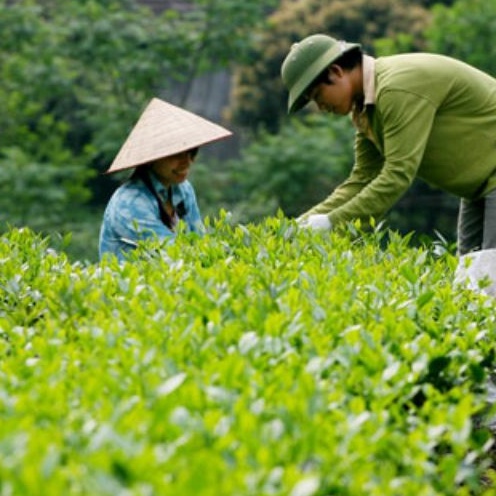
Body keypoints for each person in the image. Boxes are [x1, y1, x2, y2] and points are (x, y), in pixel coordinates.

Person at [280, 33, 496, 255]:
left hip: (491, 181)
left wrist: (332, 223)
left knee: (489, 278)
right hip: (479, 189)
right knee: (471, 279)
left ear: (336, 72)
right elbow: (362, 178)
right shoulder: (366, 107)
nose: (321, 106)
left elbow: (397, 174)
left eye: (318, 95)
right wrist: (298, 226)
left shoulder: (395, 89)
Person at [99, 97, 232, 261]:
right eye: (177, 154)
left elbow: (200, 244)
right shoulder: (130, 203)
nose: (187, 162)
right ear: (152, 158)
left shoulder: (183, 190)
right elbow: (175, 256)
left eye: (191, 152)